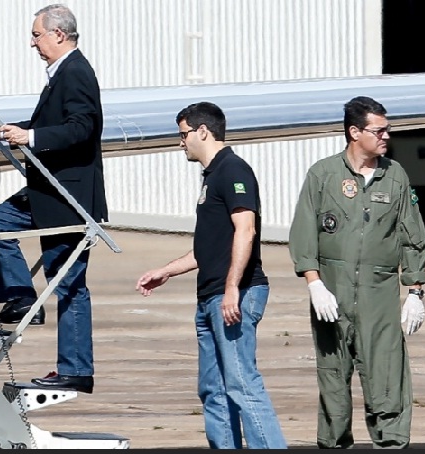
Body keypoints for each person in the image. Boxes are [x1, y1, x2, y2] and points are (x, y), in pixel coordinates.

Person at [135, 101, 287, 449]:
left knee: (241, 384)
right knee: (213, 389)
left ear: (203, 131)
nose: (181, 142)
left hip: (233, 295)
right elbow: (209, 249)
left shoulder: (233, 170)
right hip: (210, 297)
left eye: (183, 134)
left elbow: (245, 231)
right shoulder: (212, 176)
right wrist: (166, 271)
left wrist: (232, 288)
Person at [0, 3, 106, 394]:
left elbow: (82, 128)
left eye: (37, 35)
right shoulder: (60, 74)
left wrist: (30, 138)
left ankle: (77, 370)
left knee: (68, 284)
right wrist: (9, 130)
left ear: (59, 35)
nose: (32, 43)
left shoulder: (76, 72)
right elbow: (54, 124)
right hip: (47, 192)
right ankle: (19, 300)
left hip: (67, 197)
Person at [288, 95, 425, 449]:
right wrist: (314, 283)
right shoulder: (323, 174)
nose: (386, 137)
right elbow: (303, 232)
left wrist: (415, 291)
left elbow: (412, 235)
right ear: (354, 132)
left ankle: (392, 443)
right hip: (330, 295)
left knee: (387, 377)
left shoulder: (394, 176)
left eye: (387, 130)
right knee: (333, 380)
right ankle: (334, 444)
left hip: (378, 295)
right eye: (378, 130)